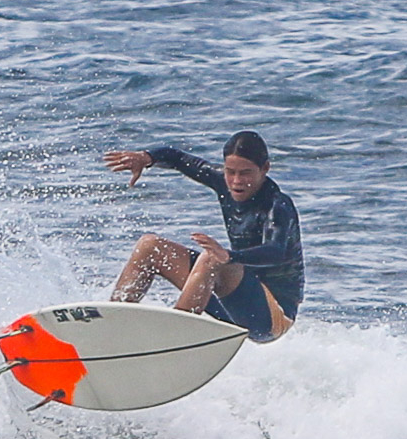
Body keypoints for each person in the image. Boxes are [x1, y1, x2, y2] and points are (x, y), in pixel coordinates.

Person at [103, 131, 303, 342]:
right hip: (230, 306)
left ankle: (172, 341)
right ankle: (113, 330)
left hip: (271, 316)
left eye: (245, 173)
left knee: (212, 258)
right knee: (149, 246)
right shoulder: (223, 182)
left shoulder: (277, 205)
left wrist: (229, 256)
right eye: (230, 172)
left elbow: (276, 251)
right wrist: (147, 158)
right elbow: (177, 158)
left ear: (265, 169)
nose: (236, 181)